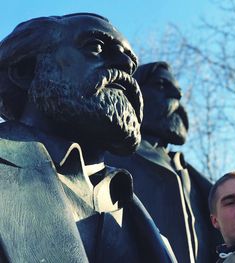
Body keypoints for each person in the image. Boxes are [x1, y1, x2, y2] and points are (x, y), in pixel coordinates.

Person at [0, 13, 175, 262]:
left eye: (132, 63)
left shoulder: (140, 217)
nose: (126, 65)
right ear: (25, 70)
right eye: (96, 47)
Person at [105, 61, 222, 263]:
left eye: (178, 90)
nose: (177, 95)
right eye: (161, 85)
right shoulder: (107, 158)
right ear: (132, 95)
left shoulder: (194, 177)